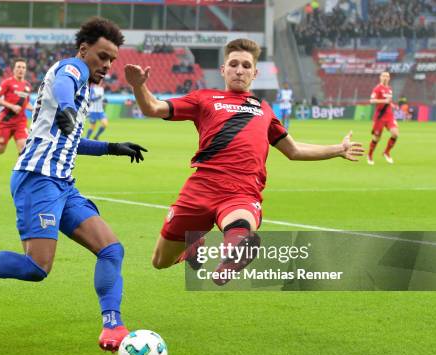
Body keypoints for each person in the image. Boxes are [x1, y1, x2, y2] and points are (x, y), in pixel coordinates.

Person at [0, 17, 147, 352]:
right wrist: (67, 107)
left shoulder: (80, 91)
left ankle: (113, 326)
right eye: (102, 56)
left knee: (111, 249)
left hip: (63, 184)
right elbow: (67, 86)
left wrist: (112, 147)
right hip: (38, 179)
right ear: (84, 50)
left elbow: (71, 142)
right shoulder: (72, 69)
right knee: (37, 268)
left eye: (112, 59)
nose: (108, 65)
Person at [124, 38, 363, 285]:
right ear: (223, 69)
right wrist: (138, 86)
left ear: (255, 73)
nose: (240, 70)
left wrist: (338, 149)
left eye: (246, 66)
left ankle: (238, 250)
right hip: (200, 188)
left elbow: (293, 150)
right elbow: (152, 107)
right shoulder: (203, 98)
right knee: (159, 261)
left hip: (242, 190)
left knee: (239, 229)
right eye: (234, 64)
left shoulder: (264, 109)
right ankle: (193, 247)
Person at [0, 58, 34, 164]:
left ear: (25, 70)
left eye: (23, 67)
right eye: (18, 67)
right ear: (14, 69)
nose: (21, 69)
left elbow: (25, 103)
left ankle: (20, 174)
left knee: (23, 147)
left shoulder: (27, 86)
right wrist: (12, 106)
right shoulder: (7, 83)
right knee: (0, 150)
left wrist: (34, 108)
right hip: (6, 121)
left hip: (20, 122)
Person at [367, 71, 398, 165]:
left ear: (389, 78)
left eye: (387, 76)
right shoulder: (377, 89)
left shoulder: (389, 89)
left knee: (395, 133)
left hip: (389, 116)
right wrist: (384, 100)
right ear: (380, 77)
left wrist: (392, 105)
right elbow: (372, 100)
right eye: (384, 76)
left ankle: (386, 152)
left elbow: (388, 101)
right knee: (376, 138)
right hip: (380, 117)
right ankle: (370, 155)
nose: (385, 77)